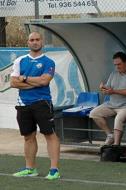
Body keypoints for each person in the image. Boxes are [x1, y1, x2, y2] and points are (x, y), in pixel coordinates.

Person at [10, 32, 60, 180]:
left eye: (37, 39)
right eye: (32, 40)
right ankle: (30, 168)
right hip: (23, 104)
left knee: (49, 135)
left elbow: (44, 81)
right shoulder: (20, 61)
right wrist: (34, 82)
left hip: (42, 103)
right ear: (28, 43)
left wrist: (24, 78)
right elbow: (13, 83)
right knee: (28, 137)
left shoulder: (48, 62)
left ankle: (54, 170)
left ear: (42, 42)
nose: (35, 42)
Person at [89, 52, 126, 145]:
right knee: (94, 113)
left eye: (119, 64)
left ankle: (116, 145)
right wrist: (103, 89)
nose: (117, 67)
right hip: (112, 104)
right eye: (115, 65)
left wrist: (114, 91)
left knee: (118, 119)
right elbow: (108, 88)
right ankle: (110, 135)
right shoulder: (113, 73)